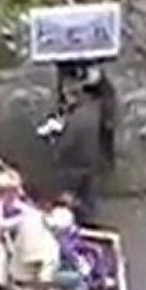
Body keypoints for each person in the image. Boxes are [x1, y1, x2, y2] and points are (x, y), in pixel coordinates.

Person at [52, 80, 104, 226]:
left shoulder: (75, 118)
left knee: (71, 194)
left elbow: (67, 142)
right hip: (90, 160)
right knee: (88, 194)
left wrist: (57, 150)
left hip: (73, 163)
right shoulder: (93, 111)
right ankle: (89, 218)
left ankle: (74, 221)